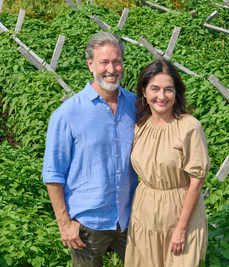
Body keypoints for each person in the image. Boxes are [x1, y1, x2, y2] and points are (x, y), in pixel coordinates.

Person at [42, 32, 138, 266]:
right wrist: (65, 224)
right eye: (104, 62)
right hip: (87, 224)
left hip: (131, 218)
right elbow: (53, 174)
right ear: (90, 65)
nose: (111, 69)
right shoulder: (67, 114)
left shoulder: (136, 106)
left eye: (117, 61)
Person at [124, 59, 210, 266]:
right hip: (144, 213)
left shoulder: (189, 127)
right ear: (144, 92)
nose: (161, 96)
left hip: (180, 213)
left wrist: (181, 228)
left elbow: (197, 182)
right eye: (154, 89)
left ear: (176, 93)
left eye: (168, 90)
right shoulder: (138, 125)